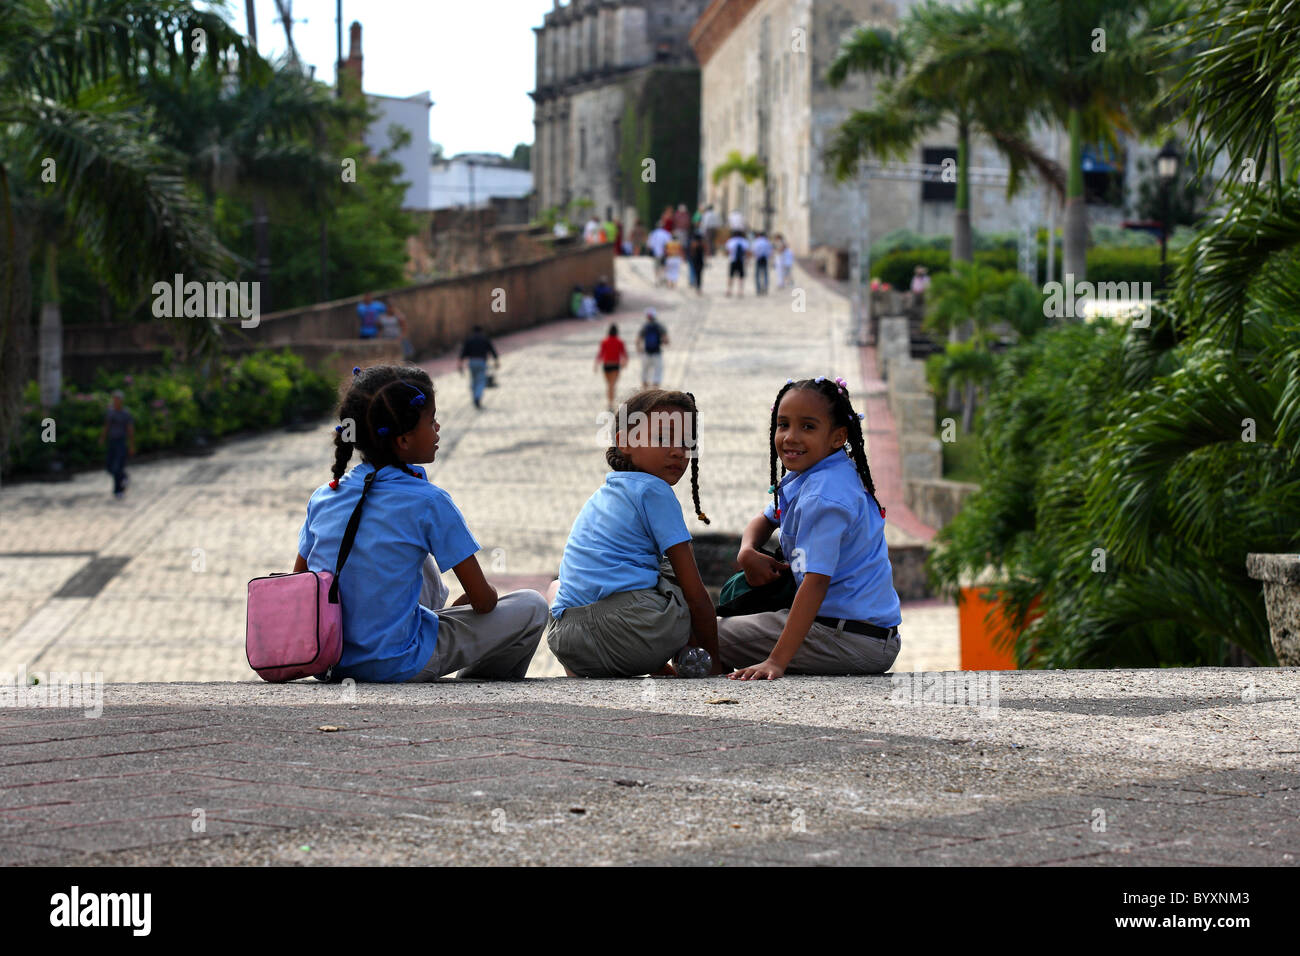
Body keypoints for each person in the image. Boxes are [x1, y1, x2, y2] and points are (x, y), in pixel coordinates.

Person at [294, 365, 548, 683]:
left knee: (410, 552)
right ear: (402, 440)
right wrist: (479, 600)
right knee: (533, 606)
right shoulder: (428, 501)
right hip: (397, 663)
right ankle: (477, 684)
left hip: (329, 662)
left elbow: (300, 583)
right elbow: (483, 601)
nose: (438, 428)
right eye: (431, 420)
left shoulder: (324, 496)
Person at [718, 376, 902, 681]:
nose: (790, 437)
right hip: (857, 633)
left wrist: (776, 661)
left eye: (808, 427)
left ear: (837, 437)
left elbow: (816, 582)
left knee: (705, 633)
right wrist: (747, 551)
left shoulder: (824, 496)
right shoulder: (820, 471)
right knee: (731, 618)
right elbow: (765, 519)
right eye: (783, 424)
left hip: (849, 639)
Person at [544, 389, 722, 678]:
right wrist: (715, 661)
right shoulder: (655, 491)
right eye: (663, 438)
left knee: (557, 586)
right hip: (631, 635)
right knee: (673, 572)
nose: (678, 451)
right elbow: (696, 595)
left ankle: (583, 672)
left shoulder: (605, 493)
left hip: (568, 641)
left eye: (686, 441)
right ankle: (679, 658)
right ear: (625, 442)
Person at [98, 390, 134, 499]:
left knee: (117, 467)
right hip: (111, 441)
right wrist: (102, 438)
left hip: (121, 442)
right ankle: (124, 477)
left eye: (117, 399)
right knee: (109, 467)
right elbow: (106, 426)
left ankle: (118, 490)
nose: (115, 401)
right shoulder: (110, 412)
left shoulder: (126, 413)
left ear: (121, 401)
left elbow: (130, 429)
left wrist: (132, 444)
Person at [458, 325, 500, 409]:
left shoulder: (469, 340)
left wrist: (460, 365)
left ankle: (474, 397)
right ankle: (477, 397)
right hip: (481, 362)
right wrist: (496, 360)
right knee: (481, 381)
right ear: (481, 331)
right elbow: (492, 350)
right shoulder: (484, 339)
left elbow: (462, 353)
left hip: (472, 362)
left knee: (473, 380)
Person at [594, 323, 627, 410]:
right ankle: (611, 403)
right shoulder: (620, 342)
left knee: (609, 385)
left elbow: (600, 354)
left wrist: (596, 364)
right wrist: (624, 363)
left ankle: (610, 402)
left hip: (606, 365)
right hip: (615, 365)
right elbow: (624, 354)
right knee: (612, 385)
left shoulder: (604, 341)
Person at [636, 309, 668, 387]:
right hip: (657, 352)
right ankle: (655, 389)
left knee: (645, 372)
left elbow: (638, 340)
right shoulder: (659, 326)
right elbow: (666, 340)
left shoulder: (645, 326)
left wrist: (639, 348)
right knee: (657, 372)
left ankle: (645, 389)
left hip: (647, 352)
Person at [724, 229, 749, 297]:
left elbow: (727, 251)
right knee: (741, 277)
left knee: (731, 276)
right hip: (741, 260)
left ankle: (729, 290)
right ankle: (740, 291)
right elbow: (747, 252)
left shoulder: (731, 241)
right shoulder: (744, 241)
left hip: (733, 260)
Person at [752, 230, 772, 295]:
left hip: (758, 259)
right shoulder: (767, 242)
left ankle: (758, 289)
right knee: (765, 274)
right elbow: (770, 252)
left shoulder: (756, 242)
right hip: (765, 259)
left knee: (757, 275)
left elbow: (754, 250)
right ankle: (765, 288)